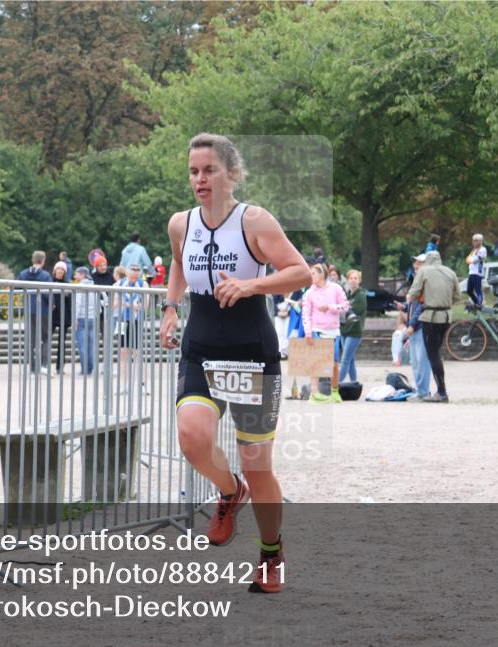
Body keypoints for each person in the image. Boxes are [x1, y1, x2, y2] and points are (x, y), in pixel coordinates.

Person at [159, 132, 311, 594]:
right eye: (193, 171)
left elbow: (301, 272)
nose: (199, 180)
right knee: (192, 437)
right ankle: (230, 491)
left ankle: (270, 552)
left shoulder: (255, 221)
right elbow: (178, 264)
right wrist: (170, 307)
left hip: (250, 350)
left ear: (232, 174)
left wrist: (250, 286)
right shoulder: (180, 224)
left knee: (257, 464)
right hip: (202, 344)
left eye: (209, 170)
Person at [407, 250, 462, 402]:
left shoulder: (424, 271)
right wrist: (444, 301)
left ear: (427, 261)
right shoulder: (451, 272)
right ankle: (440, 391)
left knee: (433, 355)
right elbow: (457, 296)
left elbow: (413, 293)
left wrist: (425, 298)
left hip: (430, 317)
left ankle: (441, 392)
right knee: (435, 353)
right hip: (446, 317)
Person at [303, 263, 349, 402]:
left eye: (313, 273)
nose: (311, 276)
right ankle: (314, 394)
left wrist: (330, 307)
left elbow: (345, 306)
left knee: (334, 364)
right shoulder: (309, 293)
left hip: (333, 331)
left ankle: (335, 392)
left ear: (322, 274)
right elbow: (306, 314)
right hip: (317, 330)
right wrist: (308, 333)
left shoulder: (336, 288)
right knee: (317, 361)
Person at [399, 255, 432, 398]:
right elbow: (414, 306)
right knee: (415, 362)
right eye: (416, 262)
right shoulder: (417, 281)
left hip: (421, 326)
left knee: (422, 361)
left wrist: (411, 325)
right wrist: (405, 307)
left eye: (419, 263)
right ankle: (420, 390)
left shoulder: (426, 283)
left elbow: (421, 307)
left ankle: (424, 391)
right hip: (414, 327)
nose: (415, 265)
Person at [17, 251, 53, 374]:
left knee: (31, 338)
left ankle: (32, 368)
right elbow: (48, 292)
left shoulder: (23, 274)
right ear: (43, 260)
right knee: (46, 336)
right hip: (43, 309)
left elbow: (17, 288)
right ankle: (44, 364)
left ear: (33, 260)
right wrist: (52, 304)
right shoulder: (45, 275)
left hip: (29, 308)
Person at [115, 263, 147, 389]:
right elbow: (115, 302)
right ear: (126, 273)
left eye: (136, 278)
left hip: (137, 320)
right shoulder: (120, 283)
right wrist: (130, 305)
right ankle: (124, 384)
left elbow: (145, 306)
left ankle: (141, 383)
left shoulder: (143, 284)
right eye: (131, 278)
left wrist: (127, 304)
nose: (133, 280)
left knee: (138, 353)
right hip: (122, 320)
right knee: (123, 352)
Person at [339, 269, 366, 384]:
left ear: (359, 280)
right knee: (350, 360)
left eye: (355, 278)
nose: (353, 280)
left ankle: (336, 383)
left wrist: (345, 308)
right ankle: (354, 382)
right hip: (344, 330)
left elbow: (356, 311)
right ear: (347, 280)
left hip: (354, 332)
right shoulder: (347, 295)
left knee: (345, 359)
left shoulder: (361, 295)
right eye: (351, 278)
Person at [73, 266, 101, 375]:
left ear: (83, 274)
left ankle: (85, 369)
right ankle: (90, 368)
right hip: (92, 317)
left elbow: (77, 303)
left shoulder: (80, 286)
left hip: (81, 317)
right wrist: (96, 315)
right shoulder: (94, 285)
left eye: (77, 274)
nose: (75, 276)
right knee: (91, 345)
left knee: (82, 345)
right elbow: (98, 303)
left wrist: (75, 317)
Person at [51, 262, 73, 374]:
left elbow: (70, 302)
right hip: (51, 315)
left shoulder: (67, 284)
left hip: (64, 316)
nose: (60, 271)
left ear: (64, 272)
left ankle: (60, 367)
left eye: (62, 269)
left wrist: (71, 318)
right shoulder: (49, 282)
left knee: (62, 343)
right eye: (58, 269)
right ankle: (43, 364)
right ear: (54, 271)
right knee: (46, 340)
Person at [465, 233, 488, 306]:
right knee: (469, 290)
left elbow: (474, 260)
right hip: (471, 272)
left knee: (478, 289)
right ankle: (476, 302)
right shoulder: (474, 250)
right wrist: (470, 259)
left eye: (476, 240)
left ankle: (479, 303)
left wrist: (470, 259)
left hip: (477, 272)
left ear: (480, 241)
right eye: (473, 240)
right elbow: (467, 260)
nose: (474, 242)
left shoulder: (483, 249)